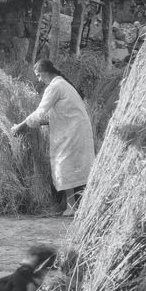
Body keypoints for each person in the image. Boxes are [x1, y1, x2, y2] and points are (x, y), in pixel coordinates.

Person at [11, 59, 95, 217]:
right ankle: (80, 205)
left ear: (44, 73)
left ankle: (72, 207)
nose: (38, 80)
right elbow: (56, 116)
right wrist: (32, 125)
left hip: (73, 132)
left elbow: (39, 113)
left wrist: (19, 127)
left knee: (65, 166)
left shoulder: (55, 87)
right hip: (77, 130)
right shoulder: (63, 85)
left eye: (38, 76)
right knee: (75, 166)